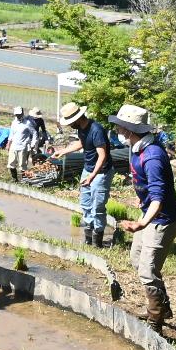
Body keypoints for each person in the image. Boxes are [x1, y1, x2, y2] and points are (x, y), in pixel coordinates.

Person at [109, 103, 176, 334]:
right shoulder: (138, 148)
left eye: (121, 128)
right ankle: (163, 307)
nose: (119, 132)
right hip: (150, 214)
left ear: (131, 130)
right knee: (136, 258)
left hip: (164, 219)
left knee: (148, 270)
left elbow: (159, 197)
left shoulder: (152, 157)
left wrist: (142, 223)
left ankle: (155, 321)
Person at [56, 102, 114, 248]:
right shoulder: (81, 129)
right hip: (88, 170)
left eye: (70, 122)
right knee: (86, 204)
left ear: (78, 118)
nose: (69, 125)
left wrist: (93, 175)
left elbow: (102, 156)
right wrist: (64, 151)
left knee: (98, 206)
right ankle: (88, 239)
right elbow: (82, 143)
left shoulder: (96, 130)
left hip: (101, 172)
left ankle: (97, 242)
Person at [6, 110, 37, 180]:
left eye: (19, 114)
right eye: (17, 114)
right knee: (11, 163)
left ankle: (24, 180)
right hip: (14, 145)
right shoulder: (14, 123)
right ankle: (14, 179)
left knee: (22, 165)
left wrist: (32, 144)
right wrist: (8, 144)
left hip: (23, 146)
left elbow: (34, 133)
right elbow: (11, 134)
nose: (18, 116)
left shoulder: (27, 123)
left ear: (22, 113)